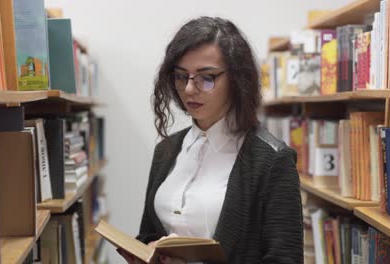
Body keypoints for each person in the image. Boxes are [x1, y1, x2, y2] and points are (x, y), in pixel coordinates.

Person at [119, 16, 302, 264]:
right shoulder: (167, 149)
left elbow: (285, 259)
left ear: (237, 80)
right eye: (181, 76)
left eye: (207, 78)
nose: (190, 89)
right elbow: (150, 232)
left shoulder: (273, 160)